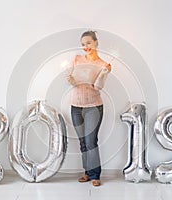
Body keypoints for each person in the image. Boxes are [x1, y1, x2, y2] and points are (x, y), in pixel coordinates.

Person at [66, 30, 111, 186]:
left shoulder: (103, 65)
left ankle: (95, 175)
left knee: (91, 141)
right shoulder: (77, 59)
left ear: (96, 42)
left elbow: (98, 87)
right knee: (82, 142)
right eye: (83, 44)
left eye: (89, 43)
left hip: (93, 107)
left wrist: (103, 74)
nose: (86, 47)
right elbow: (73, 82)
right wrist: (70, 79)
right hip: (75, 106)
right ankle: (87, 172)